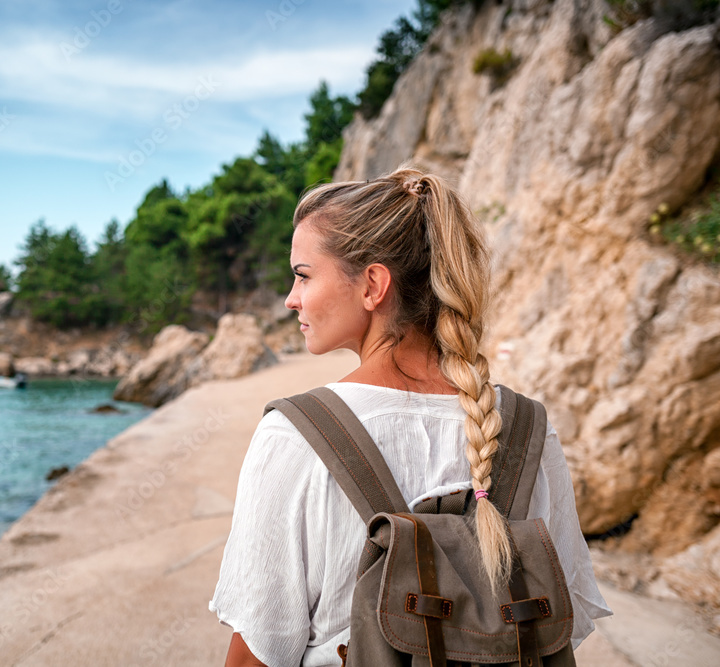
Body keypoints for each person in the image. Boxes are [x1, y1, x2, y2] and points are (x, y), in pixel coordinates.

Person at [209, 167, 612, 667]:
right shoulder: (529, 429)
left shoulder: (294, 436)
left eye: (303, 275)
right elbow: (559, 627)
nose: (292, 298)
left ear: (373, 285)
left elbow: (257, 655)